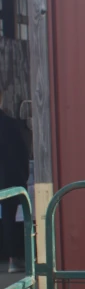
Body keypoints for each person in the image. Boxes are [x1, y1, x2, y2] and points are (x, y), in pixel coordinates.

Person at [0, 94, 30, 273]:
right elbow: (22, 154)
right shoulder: (10, 125)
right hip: (8, 179)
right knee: (9, 218)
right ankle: (13, 259)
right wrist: (22, 178)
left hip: (7, 177)